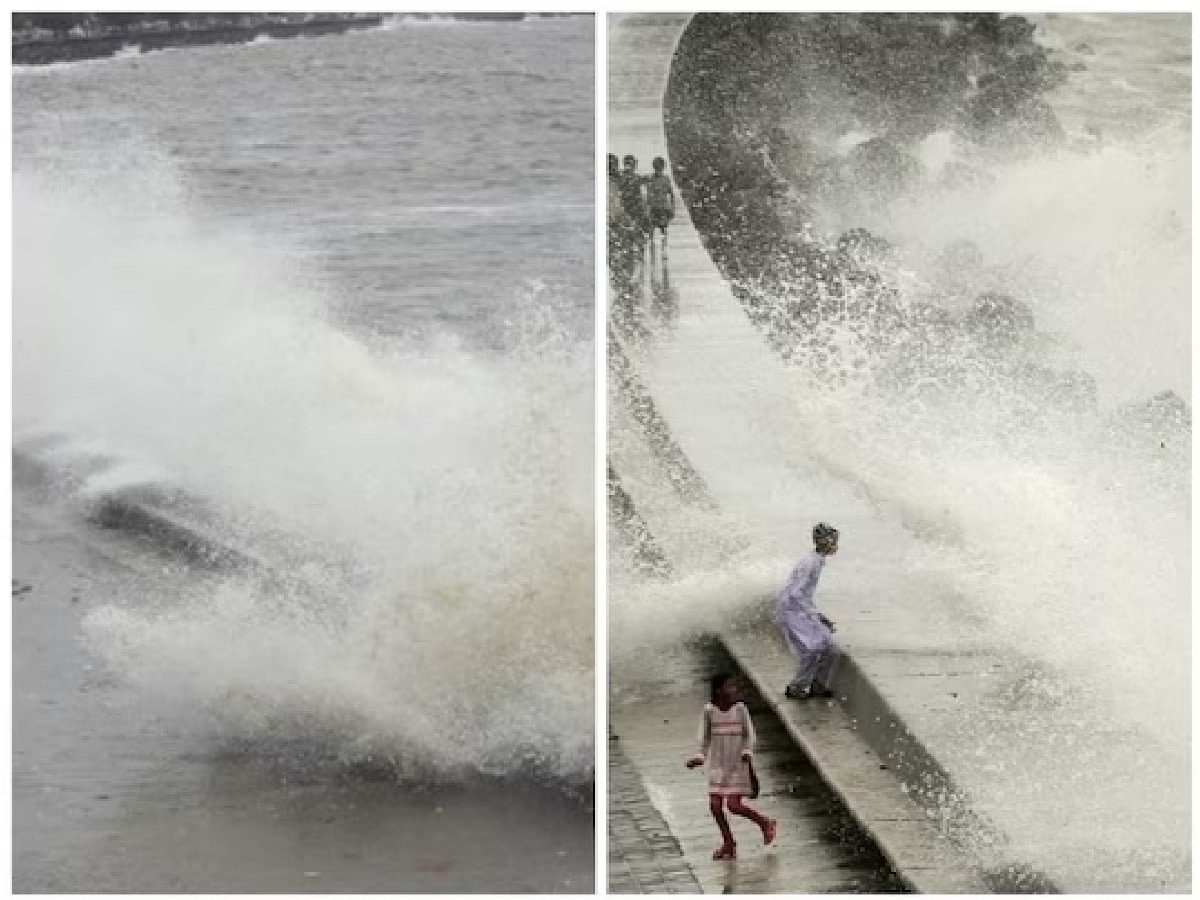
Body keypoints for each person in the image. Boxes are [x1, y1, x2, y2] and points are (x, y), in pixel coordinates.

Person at [686, 673, 777, 860]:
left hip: (738, 764)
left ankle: (765, 822)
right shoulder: (709, 711)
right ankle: (728, 843)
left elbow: (749, 734)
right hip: (718, 766)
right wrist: (700, 756)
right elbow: (703, 738)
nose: (733, 691)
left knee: (734, 805)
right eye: (729, 687)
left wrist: (747, 751)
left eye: (734, 687)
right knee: (715, 806)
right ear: (719, 690)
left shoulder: (740, 709)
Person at [777, 523, 839, 700]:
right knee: (812, 648)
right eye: (833, 541)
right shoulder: (810, 563)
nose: (836, 545)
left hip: (799, 609)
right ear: (824, 541)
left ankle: (818, 683)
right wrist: (814, 616)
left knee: (827, 644)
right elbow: (796, 593)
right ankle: (797, 686)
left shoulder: (817, 560)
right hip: (792, 610)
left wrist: (818, 616)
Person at [645, 155, 675, 245]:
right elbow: (648, 195)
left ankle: (663, 246)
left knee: (663, 229)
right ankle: (653, 245)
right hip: (656, 207)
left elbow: (671, 194)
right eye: (657, 168)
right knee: (653, 229)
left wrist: (672, 207)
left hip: (662, 207)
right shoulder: (653, 179)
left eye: (659, 168)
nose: (658, 170)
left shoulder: (665, 179)